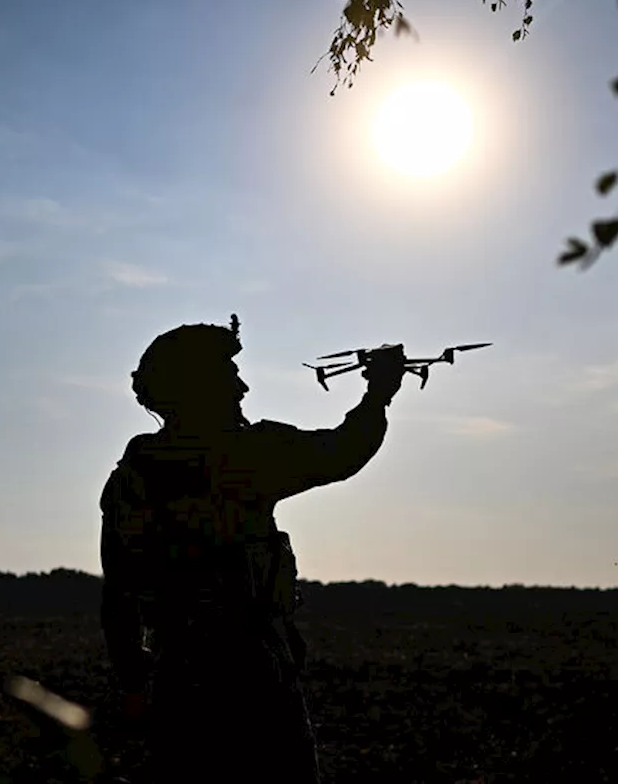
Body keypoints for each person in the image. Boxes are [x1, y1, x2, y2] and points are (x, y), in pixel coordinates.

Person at [98, 315, 404, 784]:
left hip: (178, 681)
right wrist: (379, 393)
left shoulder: (131, 478)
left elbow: (118, 596)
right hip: (253, 679)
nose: (242, 388)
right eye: (228, 377)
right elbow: (343, 452)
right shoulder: (246, 456)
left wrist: (136, 684)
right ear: (199, 389)